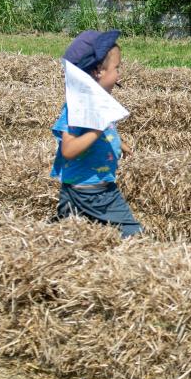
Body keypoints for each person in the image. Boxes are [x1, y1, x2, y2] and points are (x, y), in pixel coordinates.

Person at [51, 29, 142, 237]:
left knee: (67, 236)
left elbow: (105, 131)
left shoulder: (95, 102)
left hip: (77, 190)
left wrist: (122, 145)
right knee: (133, 235)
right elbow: (68, 149)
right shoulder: (78, 107)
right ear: (98, 71)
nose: (119, 74)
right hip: (95, 192)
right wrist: (97, 129)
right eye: (116, 68)